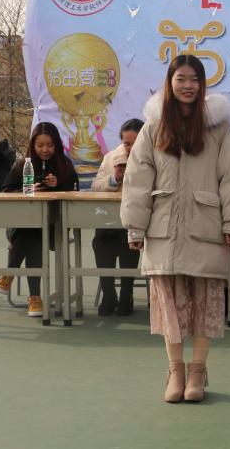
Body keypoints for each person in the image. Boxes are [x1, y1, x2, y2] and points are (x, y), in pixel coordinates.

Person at [122, 55, 230, 403]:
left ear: (202, 84)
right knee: (170, 303)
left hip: (206, 226)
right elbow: (137, 180)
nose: (188, 85)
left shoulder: (217, 129)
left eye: (194, 79)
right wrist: (135, 227)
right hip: (163, 228)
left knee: (205, 303)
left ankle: (197, 372)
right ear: (169, 82)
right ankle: (175, 370)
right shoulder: (153, 128)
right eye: (181, 78)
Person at [0, 122, 79, 317]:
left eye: (49, 145)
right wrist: (26, 190)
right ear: (33, 145)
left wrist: (59, 184)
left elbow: (74, 190)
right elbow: (6, 191)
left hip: (54, 226)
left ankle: (9, 274)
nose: (45, 150)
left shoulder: (64, 165)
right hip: (22, 225)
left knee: (35, 234)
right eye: (40, 145)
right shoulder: (23, 164)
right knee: (33, 235)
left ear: (56, 145)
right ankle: (34, 298)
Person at [90, 118, 145, 316]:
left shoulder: (153, 157)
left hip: (137, 220)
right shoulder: (111, 157)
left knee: (128, 241)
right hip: (110, 218)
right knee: (100, 241)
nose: (131, 148)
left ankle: (126, 294)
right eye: (127, 143)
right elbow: (95, 186)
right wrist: (114, 178)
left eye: (136, 143)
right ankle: (109, 294)